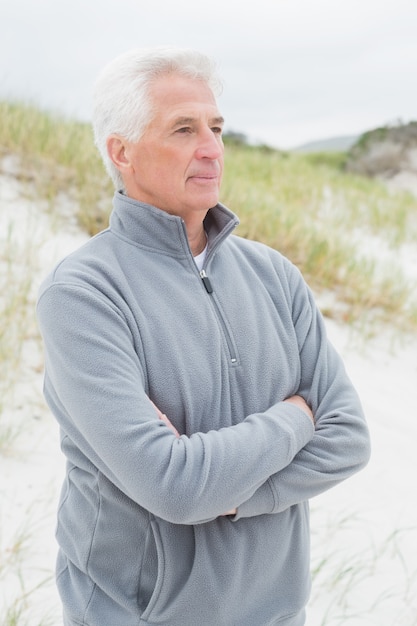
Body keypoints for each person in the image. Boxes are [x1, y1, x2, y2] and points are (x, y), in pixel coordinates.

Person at [37, 47, 371, 626]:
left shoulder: (273, 274)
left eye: (216, 127)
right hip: (133, 616)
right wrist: (296, 418)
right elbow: (175, 486)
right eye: (184, 129)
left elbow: (348, 438)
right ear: (123, 151)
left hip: (275, 612)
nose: (212, 147)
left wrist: (236, 495)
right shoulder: (83, 295)